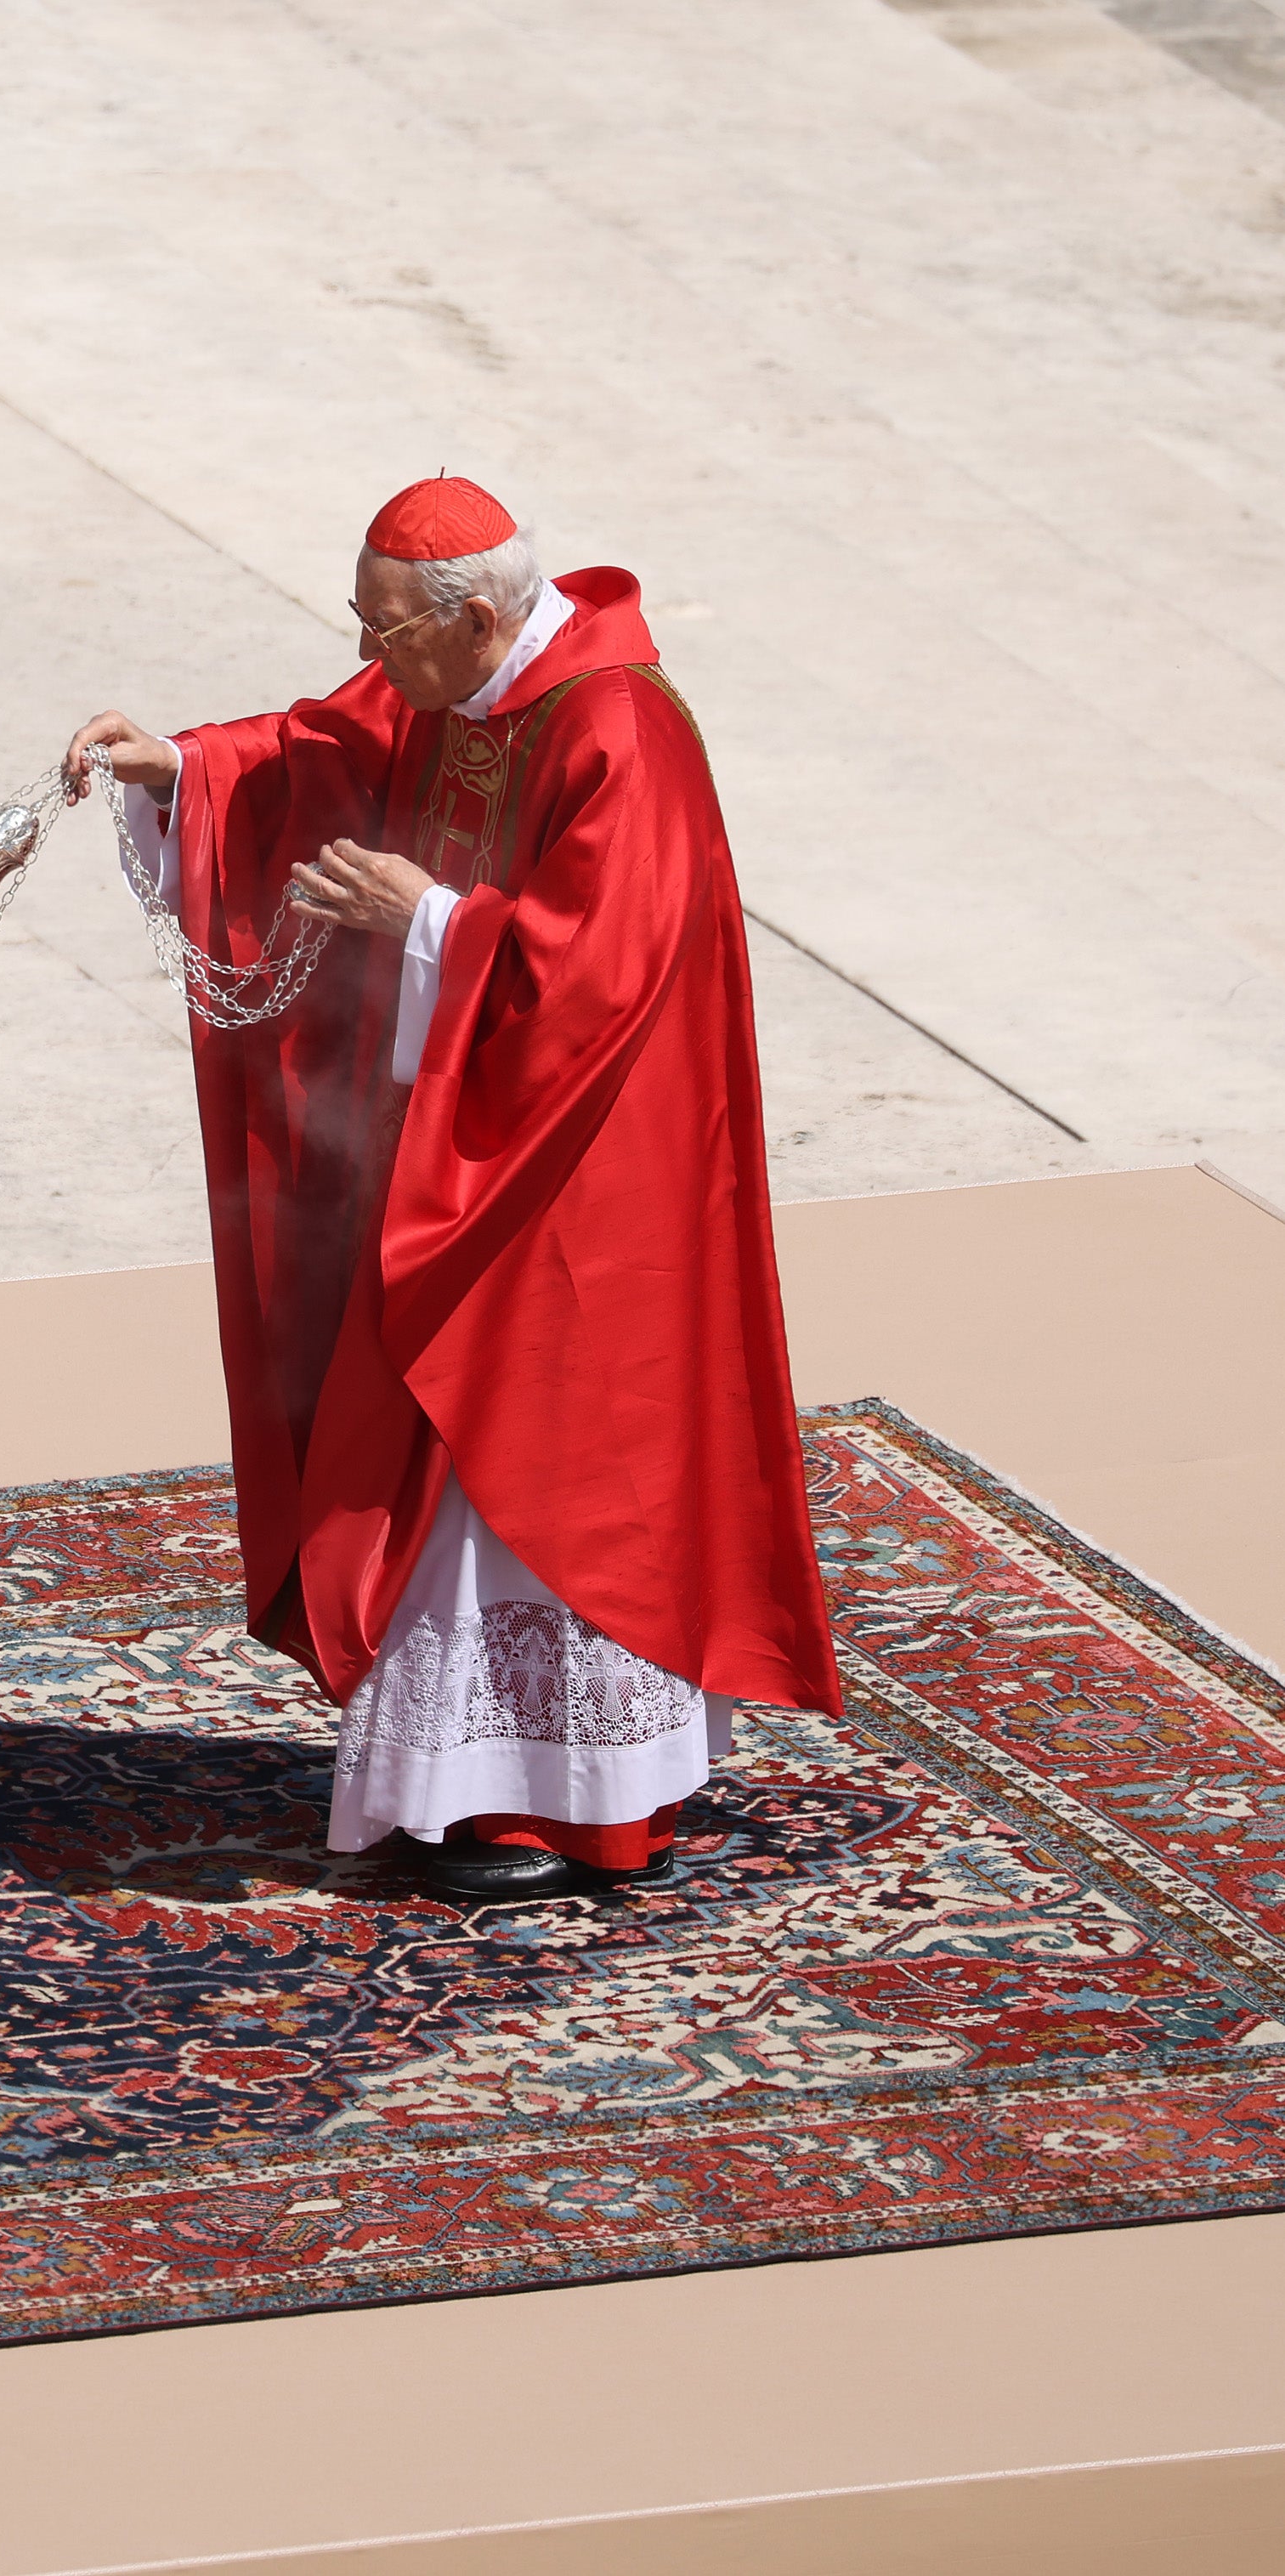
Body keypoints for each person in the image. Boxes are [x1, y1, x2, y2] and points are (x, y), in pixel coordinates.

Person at [67, 476, 839, 1901]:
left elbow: (600, 974)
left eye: (386, 630)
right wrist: (182, 765)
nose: (370, 657)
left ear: (476, 616)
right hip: (470, 1150)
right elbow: (325, 743)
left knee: (544, 1457)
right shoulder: (459, 682)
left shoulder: (620, 729)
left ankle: (559, 1803)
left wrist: (423, 921)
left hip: (578, 1178)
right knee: (437, 1441)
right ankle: (479, 1780)